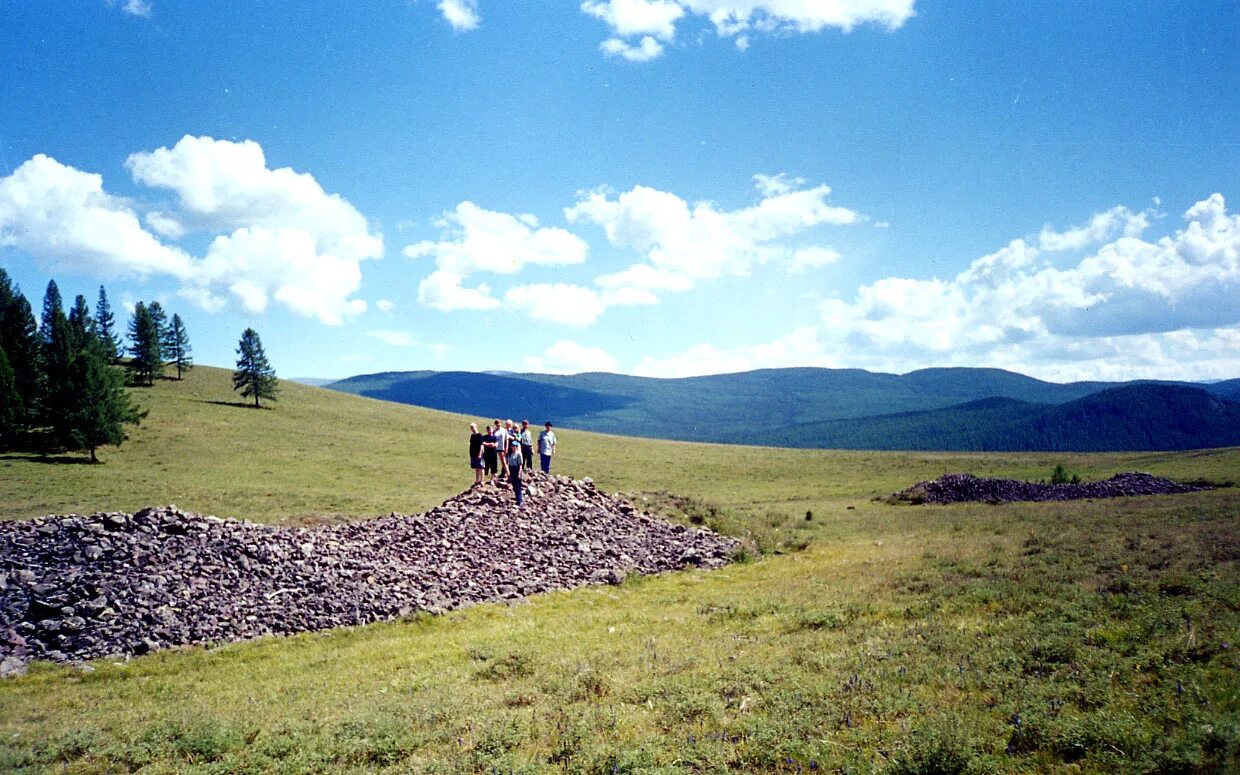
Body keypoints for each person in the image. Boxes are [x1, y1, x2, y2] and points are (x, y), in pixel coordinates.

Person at [506, 436, 525, 508]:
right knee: (514, 485)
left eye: (514, 446)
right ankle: (517, 499)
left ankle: (519, 501)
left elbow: (520, 464)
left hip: (517, 469)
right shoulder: (511, 454)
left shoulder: (518, 454)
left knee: (518, 486)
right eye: (512, 446)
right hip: (512, 469)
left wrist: (519, 472)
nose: (513, 447)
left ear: (517, 447)